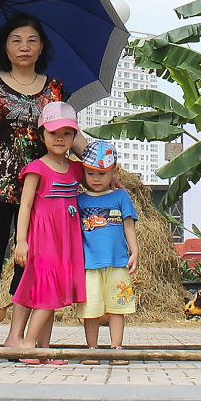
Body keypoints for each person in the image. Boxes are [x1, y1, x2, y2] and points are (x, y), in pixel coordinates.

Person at [0, 13, 69, 350]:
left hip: (38, 189)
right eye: (16, 40)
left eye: (32, 40)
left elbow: (68, 133)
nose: (24, 46)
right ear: (5, 47)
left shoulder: (55, 89)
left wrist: (99, 156)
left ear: (41, 48)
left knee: (31, 260)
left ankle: (16, 335)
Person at [6, 101, 86, 363]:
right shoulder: (36, 168)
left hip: (67, 240)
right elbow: (26, 205)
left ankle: (44, 348)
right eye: (53, 133)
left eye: (66, 133)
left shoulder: (76, 169)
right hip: (43, 239)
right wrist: (21, 241)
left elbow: (99, 177)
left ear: (74, 136)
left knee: (53, 292)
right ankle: (28, 343)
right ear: (41, 136)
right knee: (48, 291)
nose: (60, 139)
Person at [75, 140, 138, 363]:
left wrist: (135, 252)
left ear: (114, 171)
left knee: (116, 307)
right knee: (90, 308)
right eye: (90, 173)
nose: (95, 178)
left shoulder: (121, 197)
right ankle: (92, 349)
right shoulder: (79, 200)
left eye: (102, 173)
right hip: (89, 265)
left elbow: (128, 225)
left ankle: (116, 348)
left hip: (118, 263)